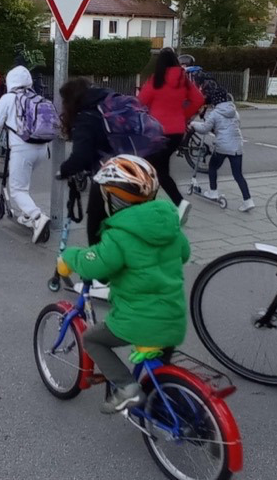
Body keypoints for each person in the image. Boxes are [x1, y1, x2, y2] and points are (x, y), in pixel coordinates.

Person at [55, 154, 188, 414]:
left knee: (92, 339)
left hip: (138, 321)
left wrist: (69, 258)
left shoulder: (118, 236)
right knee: (160, 368)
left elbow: (94, 265)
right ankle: (173, 407)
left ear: (113, 199)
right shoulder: (171, 227)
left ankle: (127, 388)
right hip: (174, 317)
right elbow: (184, 254)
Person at [138, 47, 205, 221]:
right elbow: (199, 99)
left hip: (157, 133)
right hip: (176, 132)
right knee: (159, 169)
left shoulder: (156, 80)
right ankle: (157, 206)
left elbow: (140, 102)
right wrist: (183, 115)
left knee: (151, 169)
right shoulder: (183, 80)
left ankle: (176, 203)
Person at [0, 65, 53, 242]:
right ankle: (26, 215)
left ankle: (37, 217)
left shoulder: (8, 98)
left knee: (17, 189)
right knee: (23, 182)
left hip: (22, 149)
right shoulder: (37, 97)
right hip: (42, 148)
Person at [58, 77, 115, 245]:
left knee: (95, 228)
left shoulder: (86, 116)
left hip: (110, 177)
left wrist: (64, 171)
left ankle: (97, 259)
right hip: (139, 172)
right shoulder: (107, 104)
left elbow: (80, 157)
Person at [191, 86, 254, 212]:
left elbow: (204, 129)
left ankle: (213, 191)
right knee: (238, 174)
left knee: (213, 167)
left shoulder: (215, 113)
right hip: (237, 146)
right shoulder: (234, 112)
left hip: (223, 146)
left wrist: (193, 124)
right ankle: (248, 200)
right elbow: (235, 126)